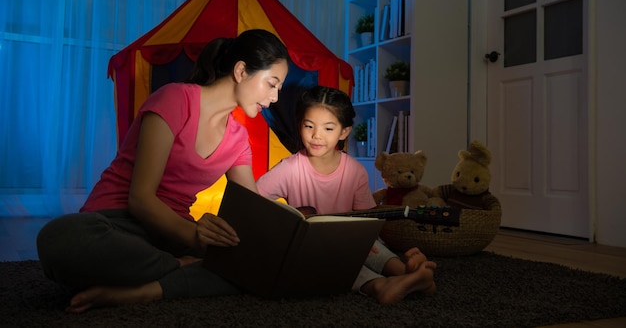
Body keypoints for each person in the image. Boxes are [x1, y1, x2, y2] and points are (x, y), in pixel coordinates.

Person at [36, 29, 290, 313]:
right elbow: (140, 199)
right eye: (272, 83)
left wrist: (287, 233)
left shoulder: (238, 139)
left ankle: (143, 290)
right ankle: (178, 270)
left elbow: (251, 212)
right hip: (116, 223)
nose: (275, 97)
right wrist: (193, 242)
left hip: (172, 234)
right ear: (241, 71)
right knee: (57, 238)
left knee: (255, 263)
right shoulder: (175, 99)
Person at [256, 85, 437, 304]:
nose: (316, 135)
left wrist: (363, 238)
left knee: (370, 245)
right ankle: (380, 286)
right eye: (309, 126)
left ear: (344, 132)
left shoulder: (355, 171)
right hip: (312, 248)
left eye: (328, 129)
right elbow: (253, 201)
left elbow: (368, 221)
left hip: (349, 239)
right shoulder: (288, 168)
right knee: (331, 259)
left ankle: (405, 272)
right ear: (299, 125)